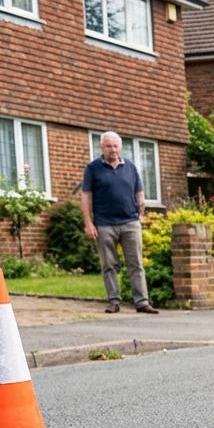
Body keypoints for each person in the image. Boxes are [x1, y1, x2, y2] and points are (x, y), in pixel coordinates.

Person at [81, 132, 157, 314]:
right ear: (102, 148)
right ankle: (114, 301)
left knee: (136, 264)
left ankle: (142, 302)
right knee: (108, 264)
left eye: (116, 146)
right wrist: (88, 223)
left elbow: (139, 191)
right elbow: (85, 196)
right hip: (105, 224)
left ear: (120, 147)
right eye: (109, 146)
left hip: (130, 222)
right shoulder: (93, 168)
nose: (113, 149)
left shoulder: (130, 167)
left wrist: (141, 214)